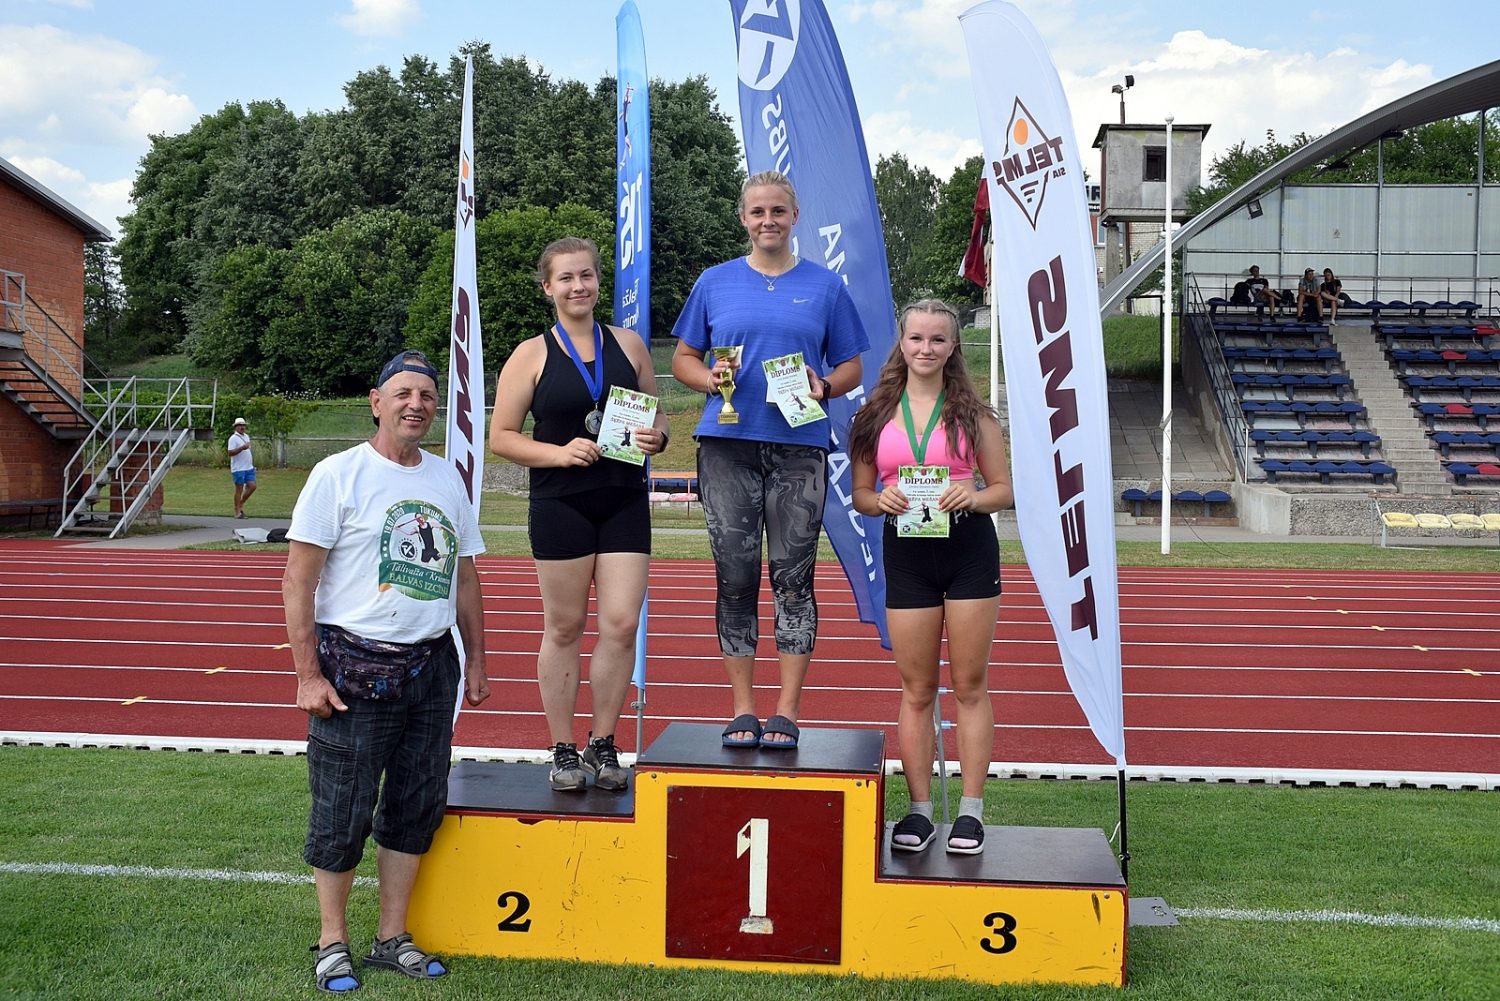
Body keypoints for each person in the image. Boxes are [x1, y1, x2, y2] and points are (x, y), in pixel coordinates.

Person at [282, 349, 489, 994]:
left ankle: (392, 936)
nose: (415, 405)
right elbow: (297, 581)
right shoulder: (336, 475)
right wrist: (308, 676)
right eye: (402, 393)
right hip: (353, 670)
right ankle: (331, 941)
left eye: (426, 396)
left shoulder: (447, 479)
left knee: (414, 805)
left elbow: (464, 578)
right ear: (376, 403)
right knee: (342, 810)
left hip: (432, 668)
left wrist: (477, 660)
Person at [671, 170, 870, 750]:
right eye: (757, 212)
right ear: (743, 218)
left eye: (778, 211)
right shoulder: (714, 282)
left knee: (793, 578)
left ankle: (786, 710)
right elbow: (683, 358)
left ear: (794, 216)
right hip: (727, 444)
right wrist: (709, 379)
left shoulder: (826, 286)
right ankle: (742, 708)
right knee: (734, 578)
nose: (768, 221)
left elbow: (851, 366)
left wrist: (824, 385)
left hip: (800, 448)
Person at [489, 237, 668, 792]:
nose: (578, 286)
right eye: (566, 278)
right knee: (565, 627)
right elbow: (502, 437)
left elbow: (657, 417)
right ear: (548, 287)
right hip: (560, 502)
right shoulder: (530, 354)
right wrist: (559, 454)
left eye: (586, 275)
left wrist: (658, 438)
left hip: (622, 497)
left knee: (621, 623)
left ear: (597, 281)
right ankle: (563, 747)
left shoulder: (630, 345)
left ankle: (604, 742)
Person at [849, 299, 1014, 855]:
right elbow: (862, 494)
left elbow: (1003, 489)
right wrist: (881, 500)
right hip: (908, 556)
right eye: (916, 338)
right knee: (917, 690)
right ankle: (919, 810)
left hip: (968, 552)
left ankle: (971, 811)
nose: (926, 348)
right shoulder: (873, 416)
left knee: (969, 686)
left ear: (953, 347)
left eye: (937, 339)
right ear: (902, 343)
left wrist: (973, 495)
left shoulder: (976, 415)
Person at [227, 417, 256, 519]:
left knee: (252, 486)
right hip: (238, 468)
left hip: (248, 467)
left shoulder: (246, 436)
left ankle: (240, 504)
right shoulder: (233, 438)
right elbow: (230, 452)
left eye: (243, 425)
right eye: (240, 425)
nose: (242, 427)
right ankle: (237, 511)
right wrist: (242, 447)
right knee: (239, 489)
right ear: (236, 427)